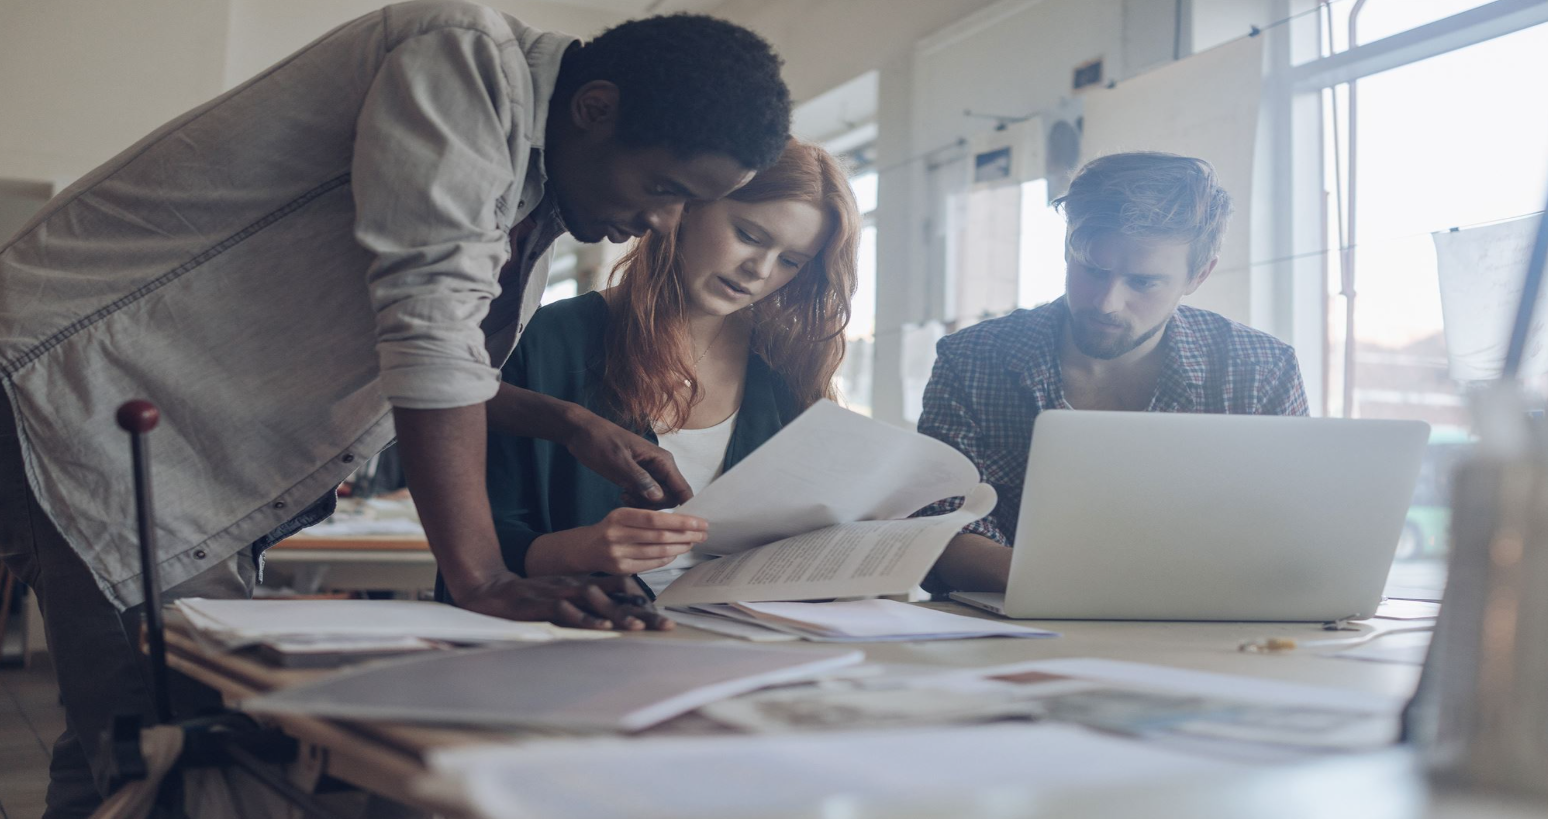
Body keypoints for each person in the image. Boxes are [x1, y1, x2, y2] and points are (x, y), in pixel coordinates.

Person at [0, 1, 790, 819]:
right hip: (75, 391)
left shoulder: (545, 177)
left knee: (134, 745)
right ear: (594, 109)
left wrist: (566, 423)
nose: (663, 221)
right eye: (665, 188)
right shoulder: (465, 62)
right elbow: (427, 330)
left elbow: (446, 362)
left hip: (156, 427)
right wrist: (480, 578)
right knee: (190, 763)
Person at [449, 139, 858, 601]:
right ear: (688, 208)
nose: (759, 271)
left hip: (749, 638)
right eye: (748, 235)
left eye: (790, 262)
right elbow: (468, 552)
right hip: (585, 641)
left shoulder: (784, 370)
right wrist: (578, 551)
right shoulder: (541, 343)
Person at [917, 152, 1309, 595]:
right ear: (1069, 248)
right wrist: (1107, 584)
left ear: (1198, 275)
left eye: (1143, 282)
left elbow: (1291, 535)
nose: (1106, 302)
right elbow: (935, 529)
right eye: (1093, 269)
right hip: (1009, 630)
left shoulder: (1261, 369)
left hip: (1205, 631)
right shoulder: (972, 358)